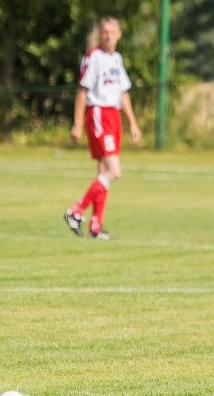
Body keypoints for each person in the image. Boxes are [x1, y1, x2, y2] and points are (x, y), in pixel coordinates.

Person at [64, 17, 141, 239]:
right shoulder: (93, 58)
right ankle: (76, 211)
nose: (109, 36)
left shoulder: (117, 59)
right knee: (114, 171)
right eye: (105, 32)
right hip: (99, 114)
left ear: (119, 34)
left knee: (103, 173)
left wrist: (133, 123)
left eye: (112, 32)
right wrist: (78, 123)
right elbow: (82, 90)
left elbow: (123, 92)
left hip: (113, 116)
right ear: (100, 35)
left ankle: (95, 227)